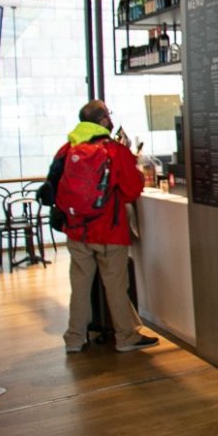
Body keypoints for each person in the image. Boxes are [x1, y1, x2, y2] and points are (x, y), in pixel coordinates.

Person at [58, 99, 157, 353]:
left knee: (79, 286)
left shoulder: (67, 148)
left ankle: (74, 339)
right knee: (114, 285)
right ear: (103, 121)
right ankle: (125, 337)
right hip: (109, 231)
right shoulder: (114, 151)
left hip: (77, 230)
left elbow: (54, 186)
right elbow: (132, 189)